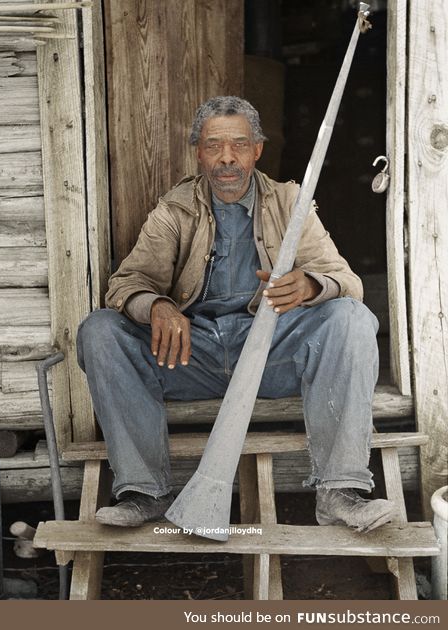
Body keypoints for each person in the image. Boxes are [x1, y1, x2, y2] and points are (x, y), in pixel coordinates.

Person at [77, 96, 397, 532]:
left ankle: (340, 491)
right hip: (193, 356)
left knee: (353, 319)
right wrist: (158, 305)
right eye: (214, 146)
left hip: (270, 354)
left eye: (239, 145)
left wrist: (311, 284)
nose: (227, 159)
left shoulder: (290, 203)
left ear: (257, 150)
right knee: (100, 330)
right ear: (198, 152)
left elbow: (348, 282)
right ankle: (143, 491)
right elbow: (125, 284)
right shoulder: (175, 210)